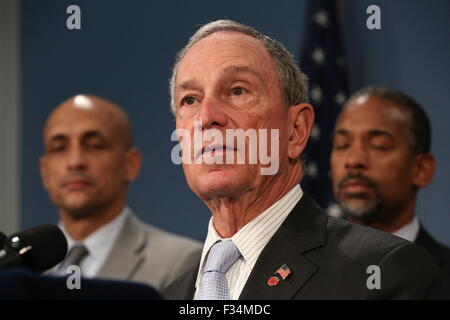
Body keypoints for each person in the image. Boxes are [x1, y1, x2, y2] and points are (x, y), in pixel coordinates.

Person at [163, 19, 443, 300]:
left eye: (237, 90)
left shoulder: (382, 271)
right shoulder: (171, 294)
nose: (206, 117)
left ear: (296, 130)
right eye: (190, 99)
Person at [40, 94, 202, 290]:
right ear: (45, 171)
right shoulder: (19, 268)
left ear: (130, 164)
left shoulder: (181, 262)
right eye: (59, 148)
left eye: (94, 146)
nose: (75, 162)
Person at [330, 85, 450, 298]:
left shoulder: (440, 276)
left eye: (379, 145)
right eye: (342, 144)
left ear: (421, 169)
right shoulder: (295, 270)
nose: (354, 160)